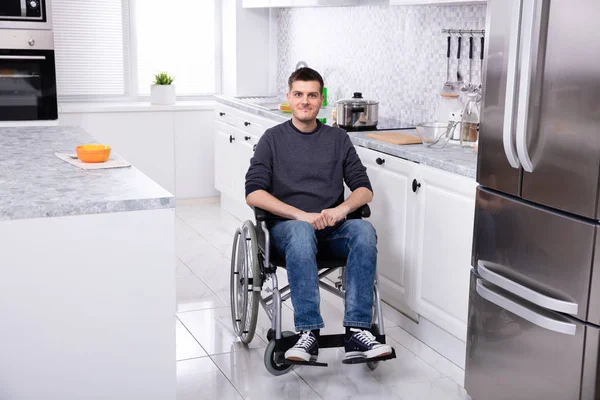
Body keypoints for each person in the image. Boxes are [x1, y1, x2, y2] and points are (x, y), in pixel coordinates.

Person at [244, 67, 392, 363]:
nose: (305, 101)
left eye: (312, 95)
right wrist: (301, 215)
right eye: (299, 94)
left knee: (363, 230)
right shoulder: (272, 139)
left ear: (321, 99)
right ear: (289, 98)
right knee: (300, 231)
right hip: (290, 232)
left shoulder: (337, 139)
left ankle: (358, 331)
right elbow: (253, 193)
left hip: (330, 230)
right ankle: (307, 333)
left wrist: (340, 210)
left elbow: (364, 190)